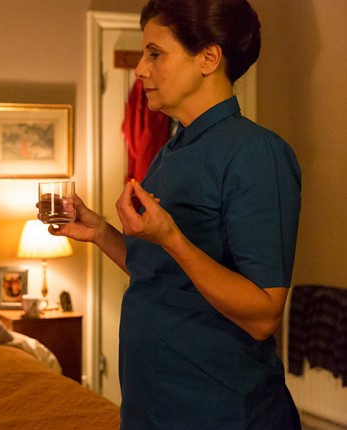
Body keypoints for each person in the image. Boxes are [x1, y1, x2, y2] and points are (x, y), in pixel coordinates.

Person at [46, 1, 302, 428]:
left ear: (208, 58)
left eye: (155, 53)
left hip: (220, 410)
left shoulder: (257, 153)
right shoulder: (172, 150)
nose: (140, 69)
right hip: (151, 406)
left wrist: (171, 238)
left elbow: (264, 315)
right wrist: (101, 232)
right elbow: (162, 276)